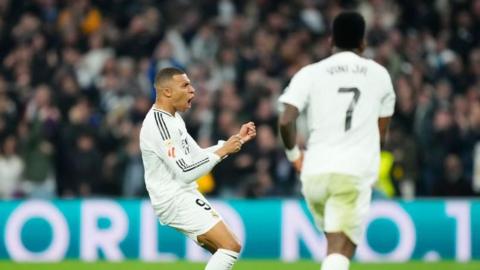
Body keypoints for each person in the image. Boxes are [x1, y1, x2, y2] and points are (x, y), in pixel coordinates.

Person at [278, 11, 395, 270]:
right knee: (341, 248)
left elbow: (286, 120)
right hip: (351, 172)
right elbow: (381, 134)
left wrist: (294, 156)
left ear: (331, 41)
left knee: (335, 247)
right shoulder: (379, 75)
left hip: (314, 173)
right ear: (363, 43)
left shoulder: (310, 73)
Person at [139, 67, 256, 269]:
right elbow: (186, 172)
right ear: (167, 91)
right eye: (185, 85)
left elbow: (196, 156)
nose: (192, 90)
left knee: (222, 251)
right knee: (230, 246)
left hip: (182, 193)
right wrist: (222, 151)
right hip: (174, 198)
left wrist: (231, 143)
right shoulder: (159, 124)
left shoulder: (173, 118)